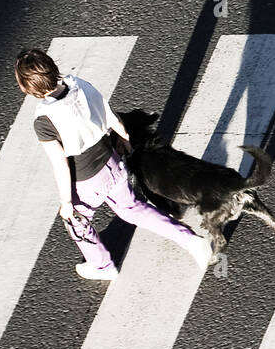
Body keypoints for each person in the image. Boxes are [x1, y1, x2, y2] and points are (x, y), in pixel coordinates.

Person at [15, 48, 212, 280]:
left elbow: (60, 165)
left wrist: (66, 203)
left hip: (87, 178)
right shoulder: (77, 83)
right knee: (133, 208)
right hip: (112, 162)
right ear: (52, 68)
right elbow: (108, 114)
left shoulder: (44, 120)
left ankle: (102, 266)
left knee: (77, 222)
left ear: (27, 87)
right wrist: (125, 138)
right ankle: (192, 241)